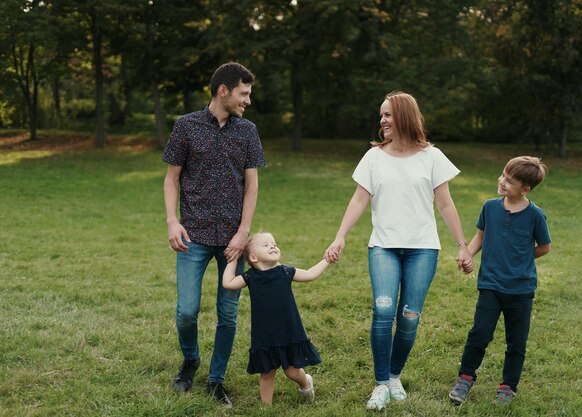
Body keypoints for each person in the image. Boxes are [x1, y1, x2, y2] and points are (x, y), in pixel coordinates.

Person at [324, 91, 473, 410]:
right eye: (381, 115)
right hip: (383, 247)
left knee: (408, 318)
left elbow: (445, 204)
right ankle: (380, 384)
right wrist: (340, 237)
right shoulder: (374, 157)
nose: (382, 120)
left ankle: (394, 376)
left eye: (388, 115)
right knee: (382, 310)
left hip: (423, 249)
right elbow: (359, 199)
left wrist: (463, 246)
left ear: (404, 116)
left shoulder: (432, 157)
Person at [162, 62, 265, 407]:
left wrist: (243, 233)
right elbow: (171, 179)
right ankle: (190, 360)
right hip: (193, 235)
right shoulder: (186, 127)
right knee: (187, 311)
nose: (248, 100)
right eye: (244, 93)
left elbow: (251, 187)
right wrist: (171, 221)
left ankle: (216, 380)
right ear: (224, 90)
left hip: (233, 242)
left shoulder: (248, 131)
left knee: (228, 313)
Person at [448, 156, 551, 405]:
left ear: (525, 189)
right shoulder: (490, 207)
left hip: (521, 289)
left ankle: (507, 386)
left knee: (516, 341)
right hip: (490, 285)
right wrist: (467, 255)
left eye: (510, 180)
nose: (502, 181)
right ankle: (465, 378)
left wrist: (521, 259)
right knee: (479, 333)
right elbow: (480, 237)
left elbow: (545, 247)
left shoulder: (536, 215)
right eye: (503, 175)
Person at [222, 232, 329, 405]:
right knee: (267, 372)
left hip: (289, 329)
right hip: (265, 333)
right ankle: (267, 408)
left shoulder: (285, 272)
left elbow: (310, 274)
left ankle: (305, 383)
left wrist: (327, 259)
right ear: (254, 258)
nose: (272, 246)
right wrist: (233, 260)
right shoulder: (250, 277)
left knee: (292, 372)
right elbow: (228, 283)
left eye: (273, 243)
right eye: (265, 245)